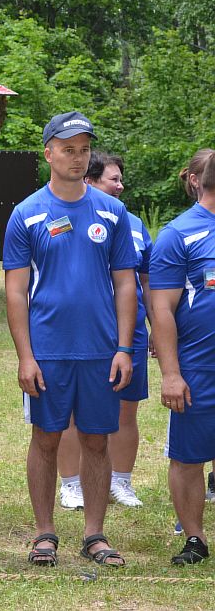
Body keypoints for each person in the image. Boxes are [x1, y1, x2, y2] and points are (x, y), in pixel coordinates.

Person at [4, 112, 137, 568]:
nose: (77, 158)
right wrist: (25, 356)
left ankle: (94, 535)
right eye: (67, 150)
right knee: (46, 438)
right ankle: (45, 533)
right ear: (49, 153)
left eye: (83, 150)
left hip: (101, 349)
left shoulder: (112, 212)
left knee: (97, 440)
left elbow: (125, 284)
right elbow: (16, 291)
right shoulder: (26, 213)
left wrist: (124, 348)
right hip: (48, 350)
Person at [55, 152, 152, 510]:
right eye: (113, 179)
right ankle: (72, 484)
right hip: (83, 329)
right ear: (90, 181)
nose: (121, 185)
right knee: (71, 412)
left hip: (131, 332)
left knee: (126, 410)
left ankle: (120, 482)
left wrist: (155, 327)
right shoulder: (64, 219)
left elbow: (146, 281)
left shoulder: (134, 224)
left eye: (121, 179)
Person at [151, 148, 215, 565]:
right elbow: (161, 309)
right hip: (199, 367)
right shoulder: (179, 234)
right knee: (189, 456)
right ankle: (195, 538)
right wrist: (171, 374)